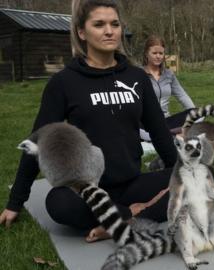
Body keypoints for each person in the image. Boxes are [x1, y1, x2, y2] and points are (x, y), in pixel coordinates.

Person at [0, 0, 177, 242]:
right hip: (88, 190)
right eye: (99, 24)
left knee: (204, 174)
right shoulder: (63, 83)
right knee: (58, 203)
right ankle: (125, 215)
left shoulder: (137, 77)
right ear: (81, 32)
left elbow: (160, 133)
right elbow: (38, 142)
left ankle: (125, 220)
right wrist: (15, 202)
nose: (109, 31)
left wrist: (182, 172)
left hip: (132, 182)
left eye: (114, 24)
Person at [140, 35, 195, 139]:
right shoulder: (138, 74)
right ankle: (166, 134)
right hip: (146, 122)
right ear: (147, 53)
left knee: (195, 113)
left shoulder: (169, 74)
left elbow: (182, 96)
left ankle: (166, 133)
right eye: (154, 53)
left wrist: (194, 113)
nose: (158, 56)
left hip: (166, 120)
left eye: (161, 53)